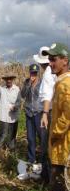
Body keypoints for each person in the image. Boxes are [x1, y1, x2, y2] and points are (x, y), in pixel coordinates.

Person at [43, 43, 70, 191]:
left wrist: (55, 135)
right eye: (49, 59)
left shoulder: (65, 85)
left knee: (59, 189)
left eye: (53, 59)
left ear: (65, 61)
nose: (50, 63)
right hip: (61, 147)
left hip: (63, 148)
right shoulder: (60, 82)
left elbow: (68, 114)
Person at [34, 46, 56, 183]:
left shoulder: (48, 73)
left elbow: (47, 94)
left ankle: (46, 178)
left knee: (46, 144)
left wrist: (45, 113)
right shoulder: (55, 72)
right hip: (56, 111)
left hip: (51, 112)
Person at [0, 74, 21, 151]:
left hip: (13, 115)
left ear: (12, 80)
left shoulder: (17, 89)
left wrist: (15, 106)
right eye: (7, 79)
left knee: (12, 134)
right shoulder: (0, 88)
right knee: (2, 133)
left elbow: (19, 101)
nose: (8, 81)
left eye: (10, 79)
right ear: (5, 80)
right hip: (3, 115)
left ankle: (11, 148)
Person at [20, 64, 42, 163]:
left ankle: (43, 159)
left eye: (35, 72)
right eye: (32, 72)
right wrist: (29, 84)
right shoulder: (26, 82)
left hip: (39, 113)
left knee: (42, 137)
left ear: (38, 73)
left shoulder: (42, 83)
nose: (33, 74)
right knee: (30, 138)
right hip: (29, 113)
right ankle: (31, 159)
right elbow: (23, 95)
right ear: (29, 72)